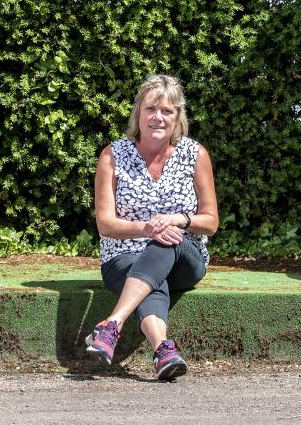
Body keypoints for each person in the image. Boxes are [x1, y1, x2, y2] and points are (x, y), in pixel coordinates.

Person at [86, 74, 219, 380]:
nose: (158, 117)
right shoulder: (112, 155)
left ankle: (111, 325)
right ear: (139, 113)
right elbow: (105, 224)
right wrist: (146, 229)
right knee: (150, 277)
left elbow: (210, 222)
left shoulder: (195, 155)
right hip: (123, 258)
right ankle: (163, 351)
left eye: (167, 111)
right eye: (151, 109)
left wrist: (178, 220)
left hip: (185, 257)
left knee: (168, 238)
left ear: (177, 118)